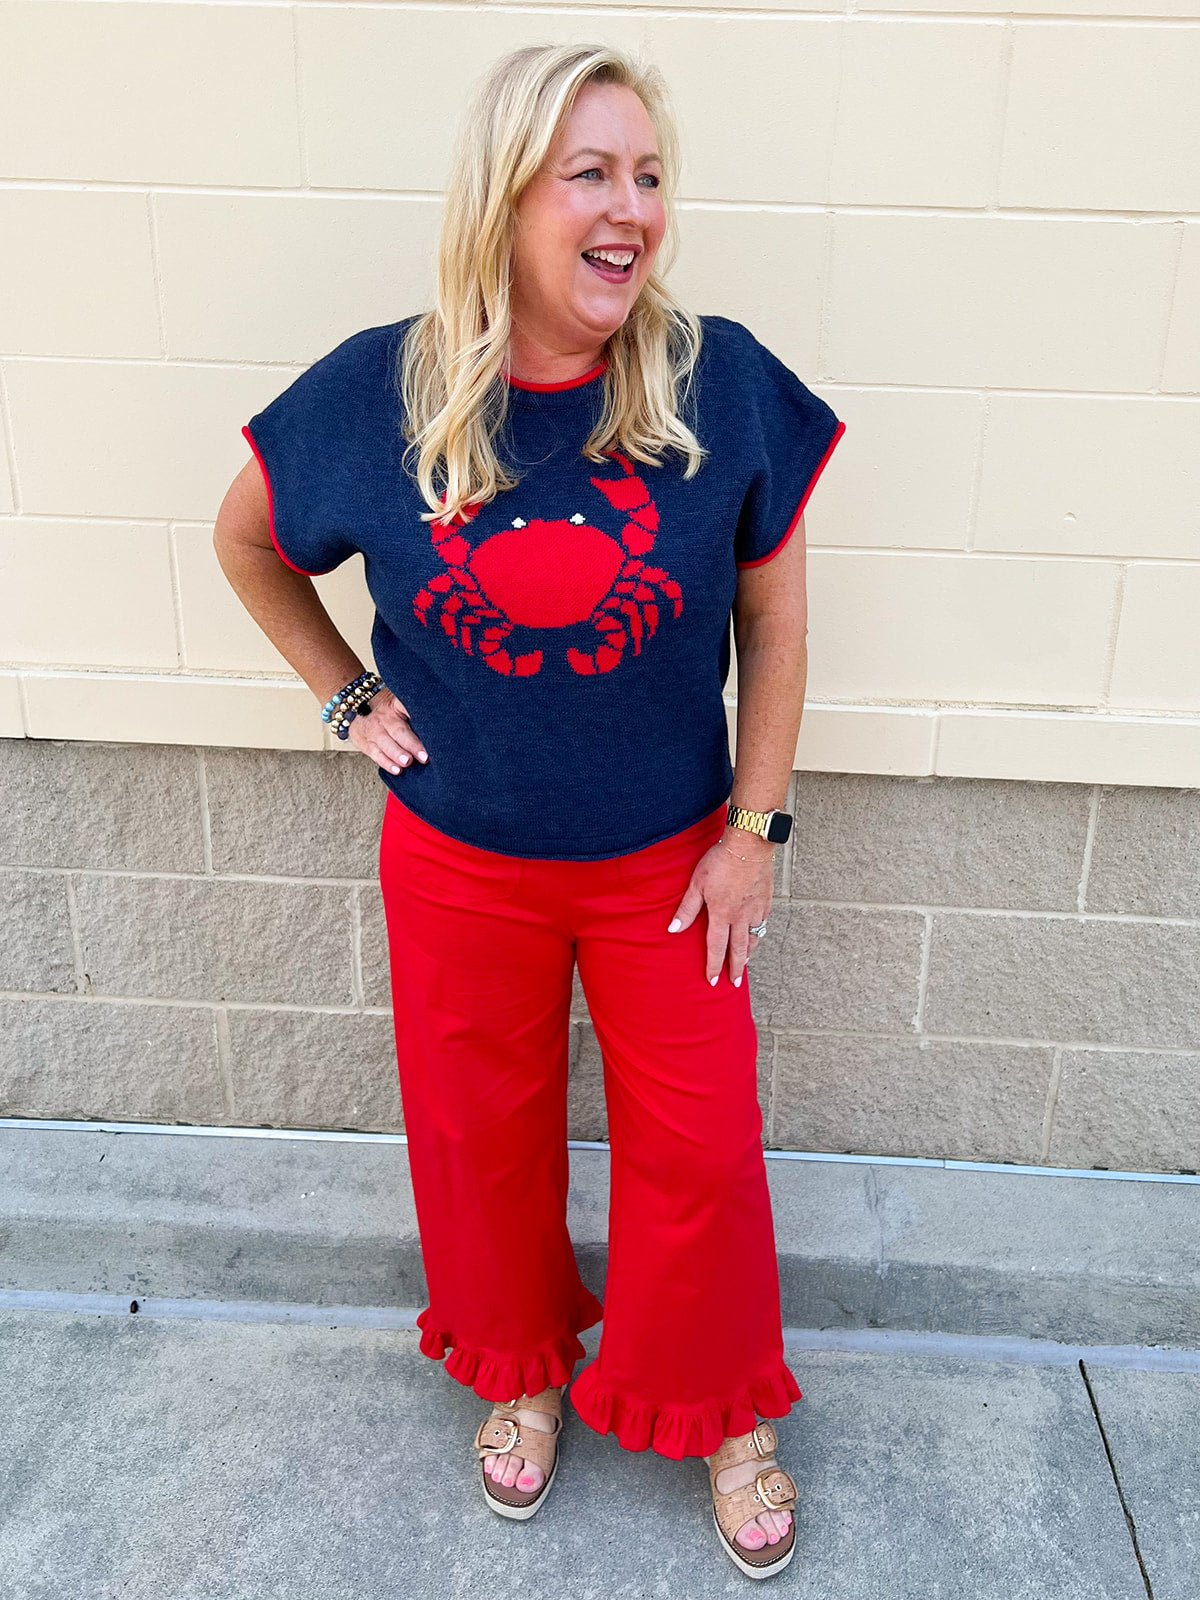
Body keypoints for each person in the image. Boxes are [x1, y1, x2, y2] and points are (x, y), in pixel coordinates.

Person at [214, 40, 845, 1581]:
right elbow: (245, 543)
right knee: (478, 1138)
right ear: (507, 198)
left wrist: (755, 831)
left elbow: (774, 621)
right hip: (459, 863)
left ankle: (721, 1403)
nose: (631, 209)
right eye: (591, 175)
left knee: (702, 1148)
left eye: (648, 177)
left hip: (668, 866)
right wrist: (346, 695)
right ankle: (520, 1372)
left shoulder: (717, 381)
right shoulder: (382, 390)